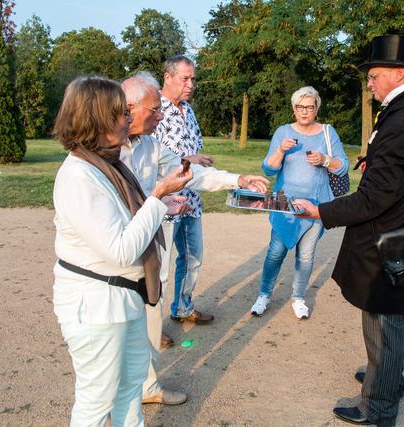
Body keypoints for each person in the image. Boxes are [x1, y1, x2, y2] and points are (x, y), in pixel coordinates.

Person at [294, 35, 404, 425]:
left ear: (399, 73)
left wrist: (321, 211)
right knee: (389, 318)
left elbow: (376, 198)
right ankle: (386, 376)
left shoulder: (403, 122)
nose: (369, 82)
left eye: (374, 75)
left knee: (384, 319)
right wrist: (372, 160)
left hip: (390, 238)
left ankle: (378, 406)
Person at [119, 71, 269, 405]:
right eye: (154, 111)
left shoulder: (150, 144)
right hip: (114, 257)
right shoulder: (104, 149)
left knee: (150, 315)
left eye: (161, 110)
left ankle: (147, 387)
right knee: (116, 339)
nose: (160, 116)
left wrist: (237, 178)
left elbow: (189, 173)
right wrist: (158, 199)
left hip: (146, 246)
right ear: (129, 107)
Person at [51, 76, 192, 426]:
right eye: (120, 113)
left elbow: (126, 220)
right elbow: (121, 249)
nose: (128, 119)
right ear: (97, 120)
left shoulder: (106, 163)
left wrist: (161, 204)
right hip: (97, 306)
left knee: (130, 388)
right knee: (97, 403)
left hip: (123, 298)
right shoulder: (80, 176)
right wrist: (158, 198)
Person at [250, 86, 348, 319]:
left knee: (306, 255)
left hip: (316, 205)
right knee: (275, 253)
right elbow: (268, 169)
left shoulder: (327, 131)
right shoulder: (283, 132)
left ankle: (298, 298)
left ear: (316, 109)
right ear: (294, 108)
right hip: (286, 204)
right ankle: (264, 295)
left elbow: (343, 166)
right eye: (300, 107)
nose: (304, 111)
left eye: (310, 107)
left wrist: (325, 160)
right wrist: (282, 151)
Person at [154, 55, 215, 324]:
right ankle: (152, 325)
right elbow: (150, 157)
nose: (191, 84)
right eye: (185, 78)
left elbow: (194, 146)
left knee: (193, 258)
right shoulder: (153, 108)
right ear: (168, 77)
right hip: (166, 202)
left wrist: (197, 159)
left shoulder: (187, 109)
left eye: (193, 79)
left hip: (192, 199)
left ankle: (182, 307)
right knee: (160, 267)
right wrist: (187, 160)